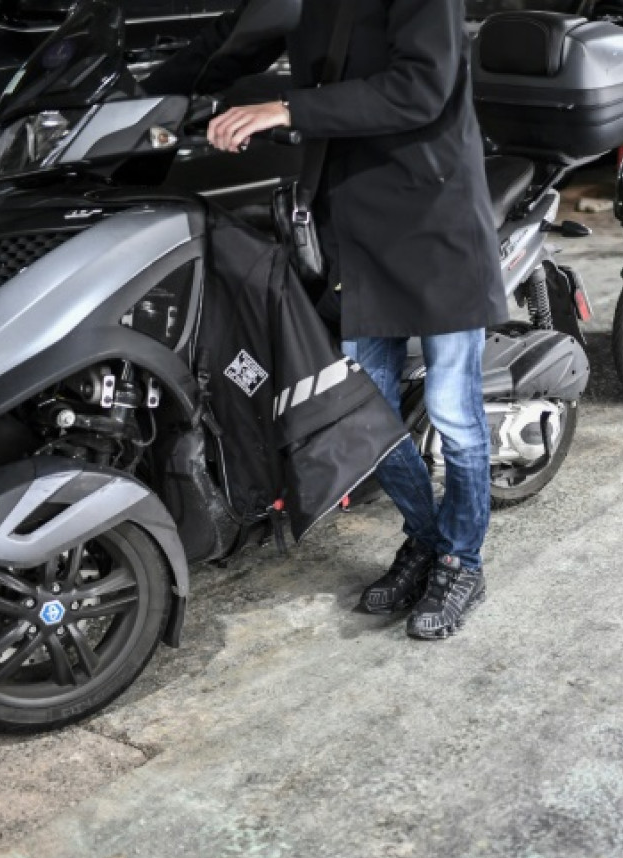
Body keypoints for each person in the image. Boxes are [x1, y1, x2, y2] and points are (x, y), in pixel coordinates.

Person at [145, 0, 508, 640]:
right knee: (366, 415)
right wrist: (140, 94)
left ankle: (461, 561)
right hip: (359, 231)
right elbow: (236, 39)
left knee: (453, 411)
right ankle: (426, 541)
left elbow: (419, 88)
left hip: (436, 223)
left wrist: (285, 109)